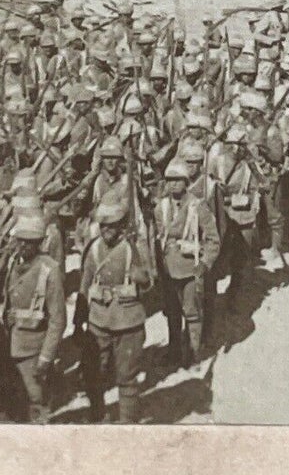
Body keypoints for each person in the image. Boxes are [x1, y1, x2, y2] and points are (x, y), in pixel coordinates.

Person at [79, 198, 153, 422]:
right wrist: (78, 321)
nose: (106, 230)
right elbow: (85, 284)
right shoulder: (94, 248)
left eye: (112, 226)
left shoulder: (134, 247)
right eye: (103, 225)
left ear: (122, 225)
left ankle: (127, 422)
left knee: (127, 376)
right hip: (99, 320)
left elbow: (149, 281)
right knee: (93, 373)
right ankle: (97, 415)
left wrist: (140, 275)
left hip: (128, 321)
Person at [0, 211, 67, 424]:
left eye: (31, 242)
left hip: (34, 349)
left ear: (39, 243)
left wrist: (46, 357)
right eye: (21, 241)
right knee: (13, 405)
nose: (24, 246)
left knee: (37, 403)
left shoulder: (50, 269)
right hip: (10, 345)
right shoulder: (11, 263)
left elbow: (58, 320)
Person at [156, 158, 220, 367]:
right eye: (169, 180)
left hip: (189, 267)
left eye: (177, 180)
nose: (172, 184)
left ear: (186, 181)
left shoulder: (197, 206)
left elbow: (212, 238)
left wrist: (205, 263)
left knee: (191, 311)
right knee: (172, 312)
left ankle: (194, 352)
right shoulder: (162, 207)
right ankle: (174, 350)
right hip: (167, 268)